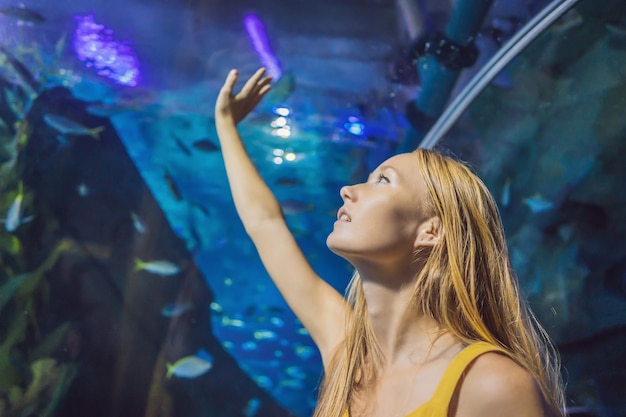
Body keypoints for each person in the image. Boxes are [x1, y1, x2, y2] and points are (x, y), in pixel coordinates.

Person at [214, 67, 566, 417]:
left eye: (383, 180)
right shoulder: (346, 356)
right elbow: (265, 223)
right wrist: (225, 126)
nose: (347, 190)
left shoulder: (490, 385)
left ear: (431, 230)